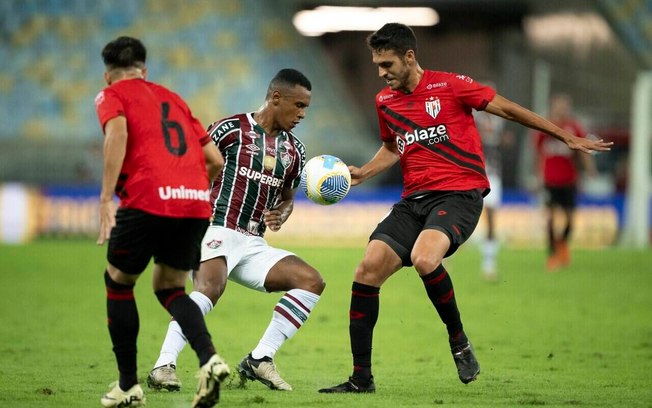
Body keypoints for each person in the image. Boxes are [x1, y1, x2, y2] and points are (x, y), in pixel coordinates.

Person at [318, 23, 612, 394]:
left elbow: (508, 109)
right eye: (377, 65)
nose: (381, 73)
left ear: (409, 57)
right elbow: (393, 148)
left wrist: (564, 135)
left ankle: (458, 341)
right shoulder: (385, 102)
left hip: (460, 195)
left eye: (387, 64)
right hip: (414, 201)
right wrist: (364, 172)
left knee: (425, 258)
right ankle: (361, 379)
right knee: (367, 268)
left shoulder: (450, 86)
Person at [146, 68, 325, 393]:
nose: (302, 114)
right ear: (275, 98)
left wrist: (281, 214)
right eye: (298, 105)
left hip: (254, 243)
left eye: (306, 108)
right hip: (215, 228)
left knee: (311, 282)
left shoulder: (295, 152)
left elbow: (287, 199)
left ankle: (260, 359)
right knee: (211, 288)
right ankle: (163, 365)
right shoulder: (230, 130)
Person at [95, 36, 228, 408]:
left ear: (108, 76)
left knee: (118, 282)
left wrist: (106, 198)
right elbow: (215, 160)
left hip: (148, 198)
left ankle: (127, 387)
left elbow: (117, 134)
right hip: (195, 203)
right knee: (170, 288)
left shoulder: (111, 96)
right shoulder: (174, 98)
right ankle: (209, 360)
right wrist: (193, 192)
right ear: (145, 70)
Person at [535, 94, 597, 271]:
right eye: (558, 106)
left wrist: (589, 168)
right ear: (553, 106)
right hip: (550, 180)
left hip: (569, 180)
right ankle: (553, 254)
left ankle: (562, 246)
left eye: (564, 106)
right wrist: (538, 176)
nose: (561, 109)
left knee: (570, 218)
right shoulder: (544, 126)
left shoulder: (573, 127)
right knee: (550, 217)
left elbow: (583, 149)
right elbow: (539, 154)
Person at [472, 84, 511, 281]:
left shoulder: (500, 118)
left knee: (491, 215)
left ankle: (489, 262)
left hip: (493, 171)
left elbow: (505, 140)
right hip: (471, 171)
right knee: (460, 212)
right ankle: (444, 257)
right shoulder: (472, 116)